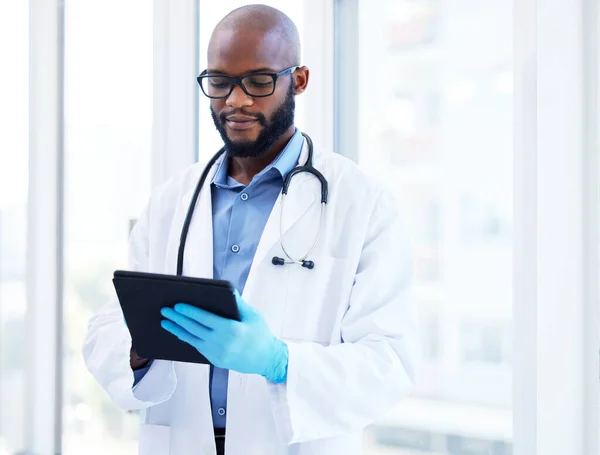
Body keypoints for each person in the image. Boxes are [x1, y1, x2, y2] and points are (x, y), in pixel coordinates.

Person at [83, 5, 419, 455]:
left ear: (298, 80)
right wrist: (139, 348)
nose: (235, 101)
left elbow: (390, 361)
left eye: (259, 81)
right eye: (219, 82)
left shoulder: (362, 203)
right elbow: (110, 320)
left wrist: (280, 362)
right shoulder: (171, 201)